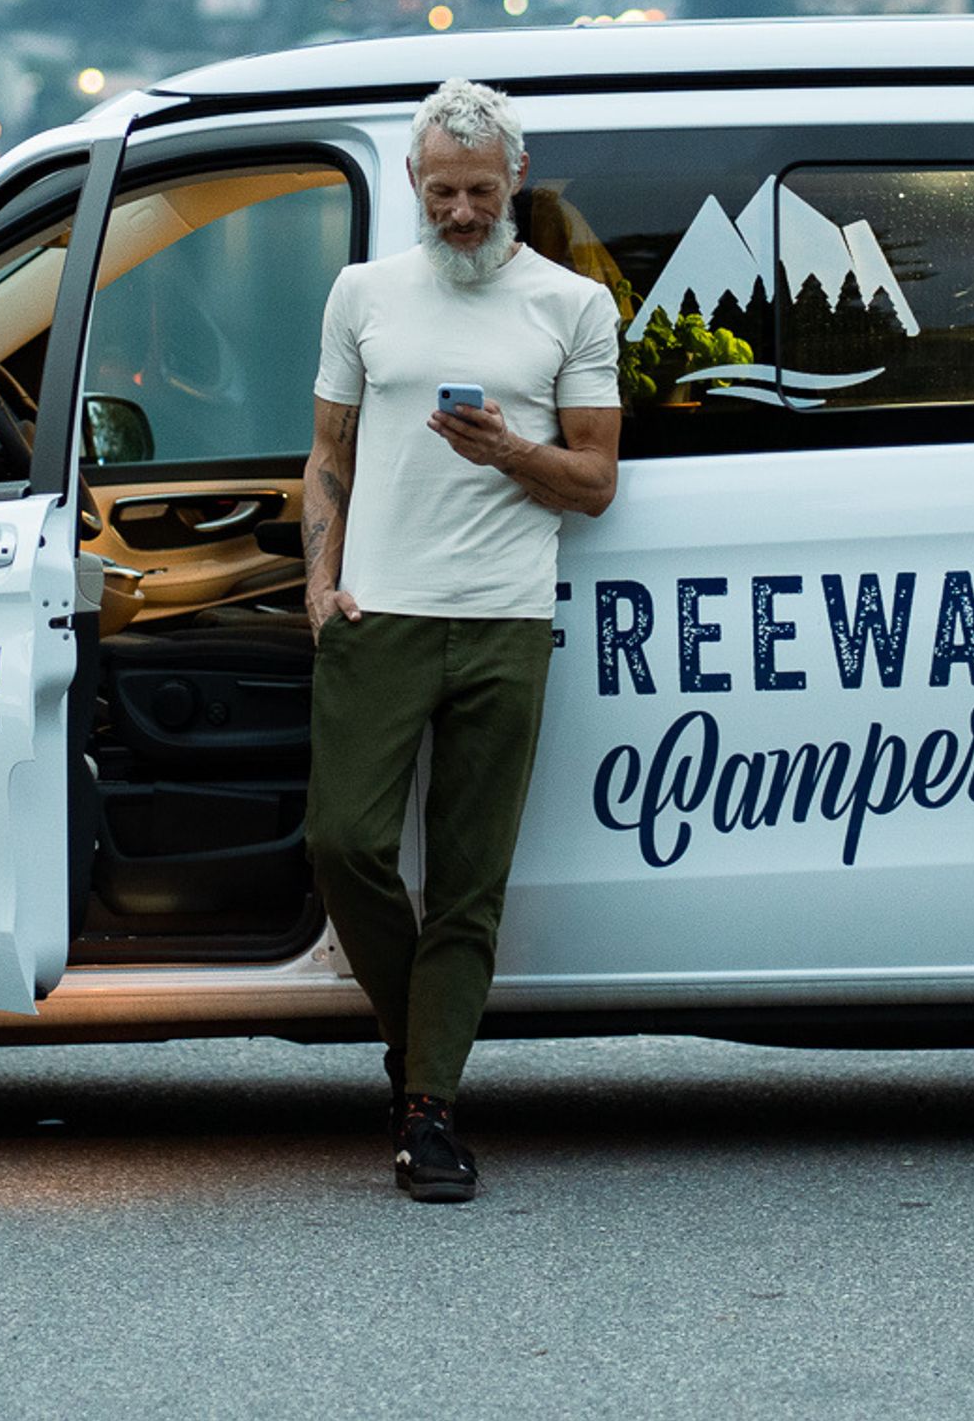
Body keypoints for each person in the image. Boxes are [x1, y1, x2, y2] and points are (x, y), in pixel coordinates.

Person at [304, 77, 622, 1202]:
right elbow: (328, 454)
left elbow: (593, 482)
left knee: (470, 880)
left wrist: (505, 453)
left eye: (480, 192)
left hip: (504, 621)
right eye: (441, 191)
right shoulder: (362, 295)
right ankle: (421, 1044)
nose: (460, 214)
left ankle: (427, 1111)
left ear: (516, 182)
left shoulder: (572, 307)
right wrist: (319, 579)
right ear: (413, 183)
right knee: (342, 842)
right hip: (378, 615)